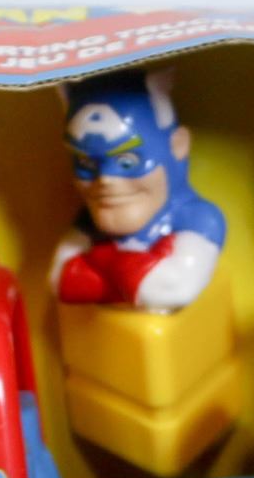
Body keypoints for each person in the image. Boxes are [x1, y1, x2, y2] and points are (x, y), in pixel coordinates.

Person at [52, 69, 226, 313]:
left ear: (178, 146)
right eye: (86, 163)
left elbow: (174, 289)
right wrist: (131, 278)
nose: (105, 179)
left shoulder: (199, 219)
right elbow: (60, 281)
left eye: (127, 162)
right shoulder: (90, 221)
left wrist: (100, 259)